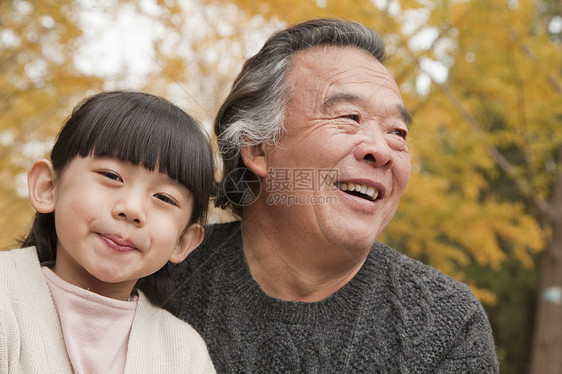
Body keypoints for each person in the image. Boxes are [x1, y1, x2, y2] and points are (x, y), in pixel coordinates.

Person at [170, 18, 499, 373]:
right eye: (349, 116)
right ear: (258, 148)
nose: (382, 150)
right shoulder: (153, 272)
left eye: (397, 132)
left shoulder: (446, 322)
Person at [0, 91, 216, 373]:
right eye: (112, 176)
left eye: (164, 197)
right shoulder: (6, 296)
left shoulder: (184, 353)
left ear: (182, 242)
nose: (132, 209)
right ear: (48, 187)